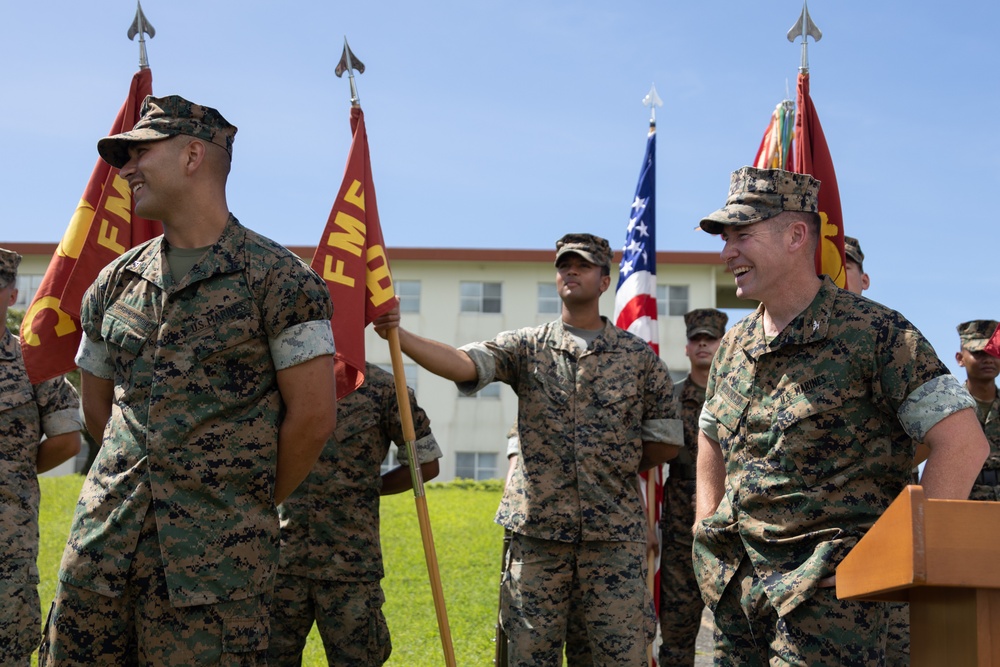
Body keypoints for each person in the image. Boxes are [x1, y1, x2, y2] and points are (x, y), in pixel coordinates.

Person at [39, 95, 338, 665]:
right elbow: (97, 406)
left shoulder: (279, 280)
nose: (125, 169)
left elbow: (314, 420)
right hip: (101, 552)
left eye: (140, 153)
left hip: (216, 578)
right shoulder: (115, 280)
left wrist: (234, 503)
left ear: (193, 155)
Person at [692, 166, 989, 666]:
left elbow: (963, 444)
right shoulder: (733, 345)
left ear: (796, 235)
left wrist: (896, 557)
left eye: (742, 235)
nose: (727, 253)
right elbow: (710, 440)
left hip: (827, 604)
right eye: (726, 239)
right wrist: (706, 525)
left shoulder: (876, 334)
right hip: (736, 595)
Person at [374, 233, 682, 666]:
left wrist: (612, 463)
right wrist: (398, 334)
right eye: (563, 265)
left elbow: (665, 440)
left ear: (605, 281)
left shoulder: (637, 358)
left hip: (612, 539)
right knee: (528, 654)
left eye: (583, 265)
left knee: (618, 654)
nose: (570, 271)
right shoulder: (527, 346)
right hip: (538, 538)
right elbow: (465, 363)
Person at [268, 362, 442, 666]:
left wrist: (367, 488)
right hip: (279, 562)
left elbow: (425, 464)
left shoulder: (385, 388)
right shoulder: (275, 382)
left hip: (350, 566)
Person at [0, 248, 82, 665]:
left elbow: (68, 440)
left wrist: (12, 467)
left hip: (7, 540)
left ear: (12, 294)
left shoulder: (34, 362)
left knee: (9, 646)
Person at [841, 235, 910, 666]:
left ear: (864, 278)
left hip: (880, 530)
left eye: (844, 263)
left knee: (894, 651)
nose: (833, 269)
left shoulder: (891, 336)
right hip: (806, 547)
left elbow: (946, 434)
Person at [658, 308, 726, 667]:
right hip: (681, 527)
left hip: (732, 524)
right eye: (696, 339)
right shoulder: (669, 397)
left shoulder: (738, 394)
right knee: (677, 631)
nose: (702, 345)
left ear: (722, 344)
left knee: (738, 631)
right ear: (686, 348)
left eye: (710, 339)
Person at [956, 320, 1000, 501]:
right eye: (978, 352)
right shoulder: (947, 410)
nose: (988, 359)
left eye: (994, 352)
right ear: (960, 359)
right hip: (963, 507)